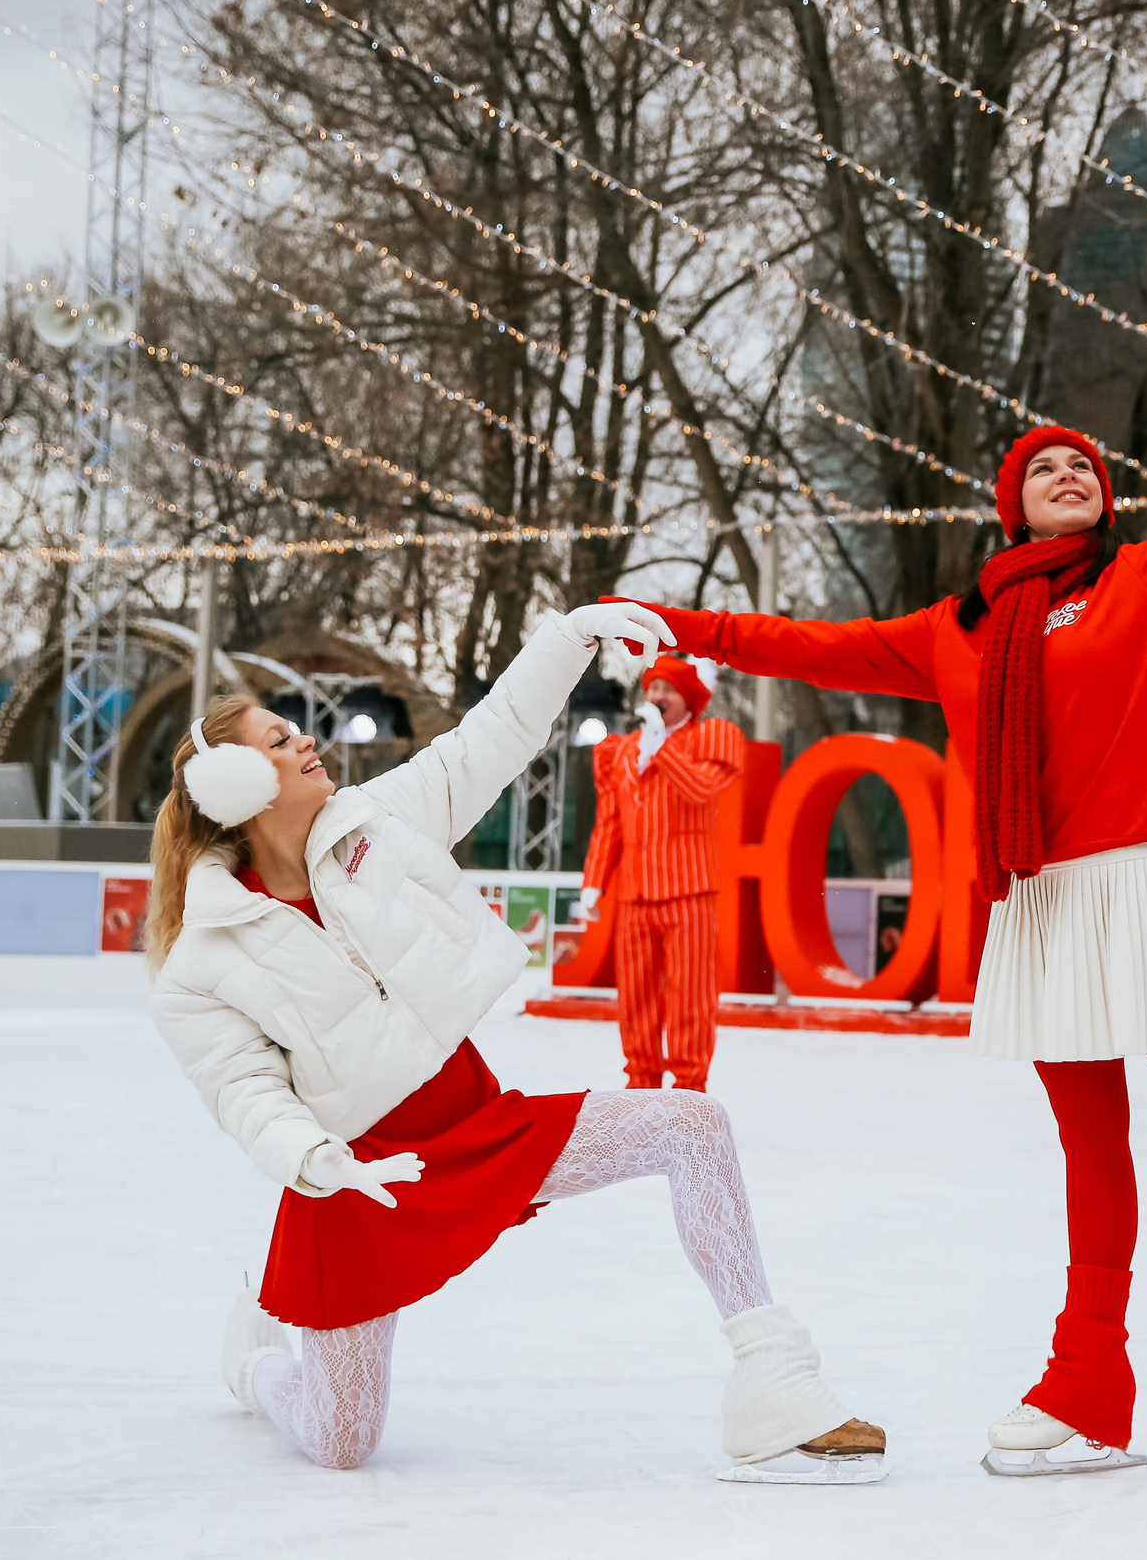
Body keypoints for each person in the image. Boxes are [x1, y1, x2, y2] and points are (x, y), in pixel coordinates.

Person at [622, 249, 1147, 1479]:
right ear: (1010, 503)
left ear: (1104, 502)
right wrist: (678, 625)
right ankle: (1090, 1385)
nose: (1066, 472)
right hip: (1039, 901)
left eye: (1084, 467)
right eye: (1043, 465)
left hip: (1138, 885)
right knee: (1091, 1151)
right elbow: (806, 645)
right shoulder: (961, 631)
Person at [145, 603, 884, 1482]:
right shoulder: (202, 958)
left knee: (692, 1125)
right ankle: (257, 1363)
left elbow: (489, 737)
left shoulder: (378, 822)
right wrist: (315, 1159)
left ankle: (774, 1378)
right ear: (233, 784)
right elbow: (244, 1090)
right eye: (276, 738)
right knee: (344, 1441)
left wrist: (573, 634)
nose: (306, 740)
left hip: (476, 1124)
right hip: (360, 1181)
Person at [578, 653, 744, 1090]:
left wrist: (661, 746)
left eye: (668, 688)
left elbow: (701, 790)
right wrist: (594, 883)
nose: (657, 695)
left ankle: (690, 1088)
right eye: (652, 687)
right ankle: (642, 1086)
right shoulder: (621, 751)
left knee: (691, 997)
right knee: (635, 1000)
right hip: (635, 896)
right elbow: (610, 822)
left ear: (688, 699)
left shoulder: (709, 737)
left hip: (690, 893)